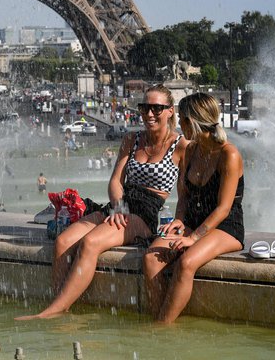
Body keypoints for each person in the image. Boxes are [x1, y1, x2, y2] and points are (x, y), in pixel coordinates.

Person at [16, 84, 188, 320]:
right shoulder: (132, 139)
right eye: (145, 107)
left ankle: (51, 312)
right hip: (120, 205)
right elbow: (116, 180)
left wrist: (180, 220)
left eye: (156, 108)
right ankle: (61, 304)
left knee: (90, 243)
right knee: (64, 241)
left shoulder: (181, 146)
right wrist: (118, 206)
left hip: (144, 213)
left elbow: (186, 191)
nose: (149, 114)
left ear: (170, 111)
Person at [142, 92, 244, 323]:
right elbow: (184, 196)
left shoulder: (229, 154)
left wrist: (194, 238)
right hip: (192, 223)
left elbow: (224, 208)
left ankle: (162, 328)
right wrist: (179, 220)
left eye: (182, 120)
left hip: (226, 227)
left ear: (193, 122)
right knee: (150, 258)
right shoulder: (190, 150)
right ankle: (157, 317)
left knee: (187, 262)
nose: (178, 125)